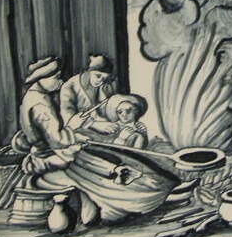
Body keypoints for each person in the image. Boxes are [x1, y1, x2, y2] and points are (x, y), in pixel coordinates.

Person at [12, 56, 177, 225]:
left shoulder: (36, 96)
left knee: (106, 152)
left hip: (68, 143)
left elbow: (104, 112)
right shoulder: (42, 104)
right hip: (53, 153)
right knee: (91, 160)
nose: (60, 82)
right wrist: (78, 129)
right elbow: (57, 138)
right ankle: (130, 190)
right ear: (42, 79)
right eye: (56, 78)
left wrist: (101, 127)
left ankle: (126, 179)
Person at [60, 54, 117, 137]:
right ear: (88, 71)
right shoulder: (69, 86)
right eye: (98, 76)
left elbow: (108, 109)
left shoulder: (105, 85)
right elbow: (68, 118)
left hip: (104, 126)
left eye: (104, 79)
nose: (100, 81)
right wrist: (94, 124)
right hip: (79, 131)